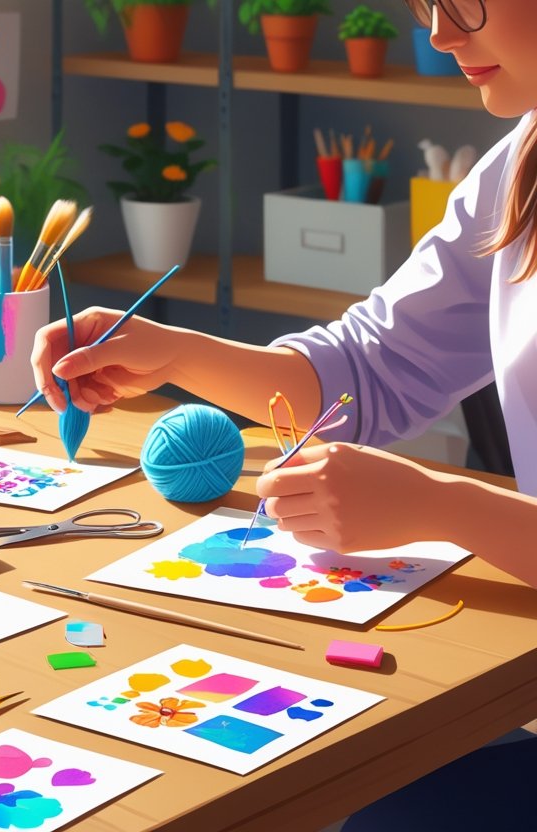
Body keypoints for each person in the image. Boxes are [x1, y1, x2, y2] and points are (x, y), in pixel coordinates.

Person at [32, 2, 537, 827]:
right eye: (425, 5)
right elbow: (370, 370)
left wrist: (445, 507)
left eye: (466, 0)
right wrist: (176, 354)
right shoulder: (522, 164)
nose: (441, 33)